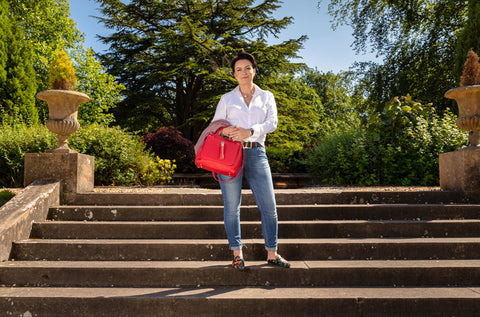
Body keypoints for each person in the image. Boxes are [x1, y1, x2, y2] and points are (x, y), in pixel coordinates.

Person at [211, 50, 290, 270]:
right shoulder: (227, 98)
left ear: (254, 71)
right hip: (230, 156)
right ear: (234, 74)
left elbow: (272, 123)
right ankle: (237, 255)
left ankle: (272, 254)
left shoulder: (267, 96)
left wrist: (250, 131)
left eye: (247, 68)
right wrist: (228, 130)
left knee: (269, 207)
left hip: (257, 153)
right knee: (231, 207)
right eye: (239, 69)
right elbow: (216, 126)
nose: (244, 72)